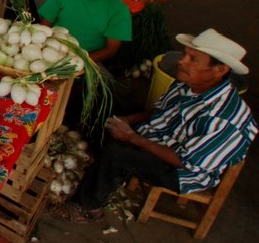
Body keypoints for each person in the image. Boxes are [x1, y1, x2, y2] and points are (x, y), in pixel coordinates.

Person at [53, 29, 256, 223]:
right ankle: (85, 146)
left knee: (117, 156)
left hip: (179, 169)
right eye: (185, 55)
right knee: (101, 98)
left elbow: (186, 161)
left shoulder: (224, 119)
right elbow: (160, 111)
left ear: (220, 70)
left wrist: (132, 137)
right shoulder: (189, 82)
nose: (181, 61)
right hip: (158, 133)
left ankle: (87, 207)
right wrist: (129, 120)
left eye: (193, 59)